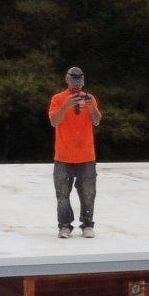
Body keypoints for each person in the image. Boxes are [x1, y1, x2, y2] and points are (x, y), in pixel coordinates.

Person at [47, 65, 102, 239]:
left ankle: (87, 224)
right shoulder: (58, 98)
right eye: (73, 83)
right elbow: (54, 121)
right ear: (67, 80)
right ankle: (64, 226)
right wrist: (66, 105)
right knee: (62, 193)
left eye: (79, 83)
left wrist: (90, 106)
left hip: (86, 155)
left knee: (88, 192)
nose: (76, 87)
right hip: (63, 155)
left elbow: (97, 121)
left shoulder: (90, 98)